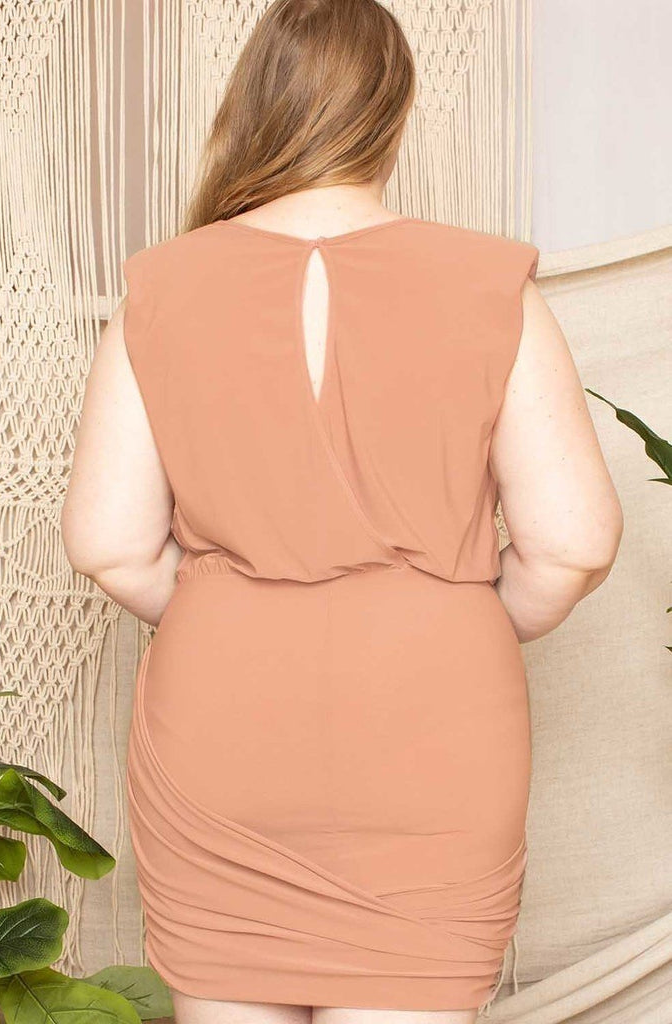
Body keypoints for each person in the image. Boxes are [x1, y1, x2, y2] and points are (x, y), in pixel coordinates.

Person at [61, 1, 624, 1022]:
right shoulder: (488, 284)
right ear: (394, 113)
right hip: (434, 726)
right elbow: (574, 542)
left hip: (220, 724)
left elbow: (107, 542)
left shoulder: (161, 287)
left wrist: (232, 609)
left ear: (253, 104)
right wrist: (454, 619)